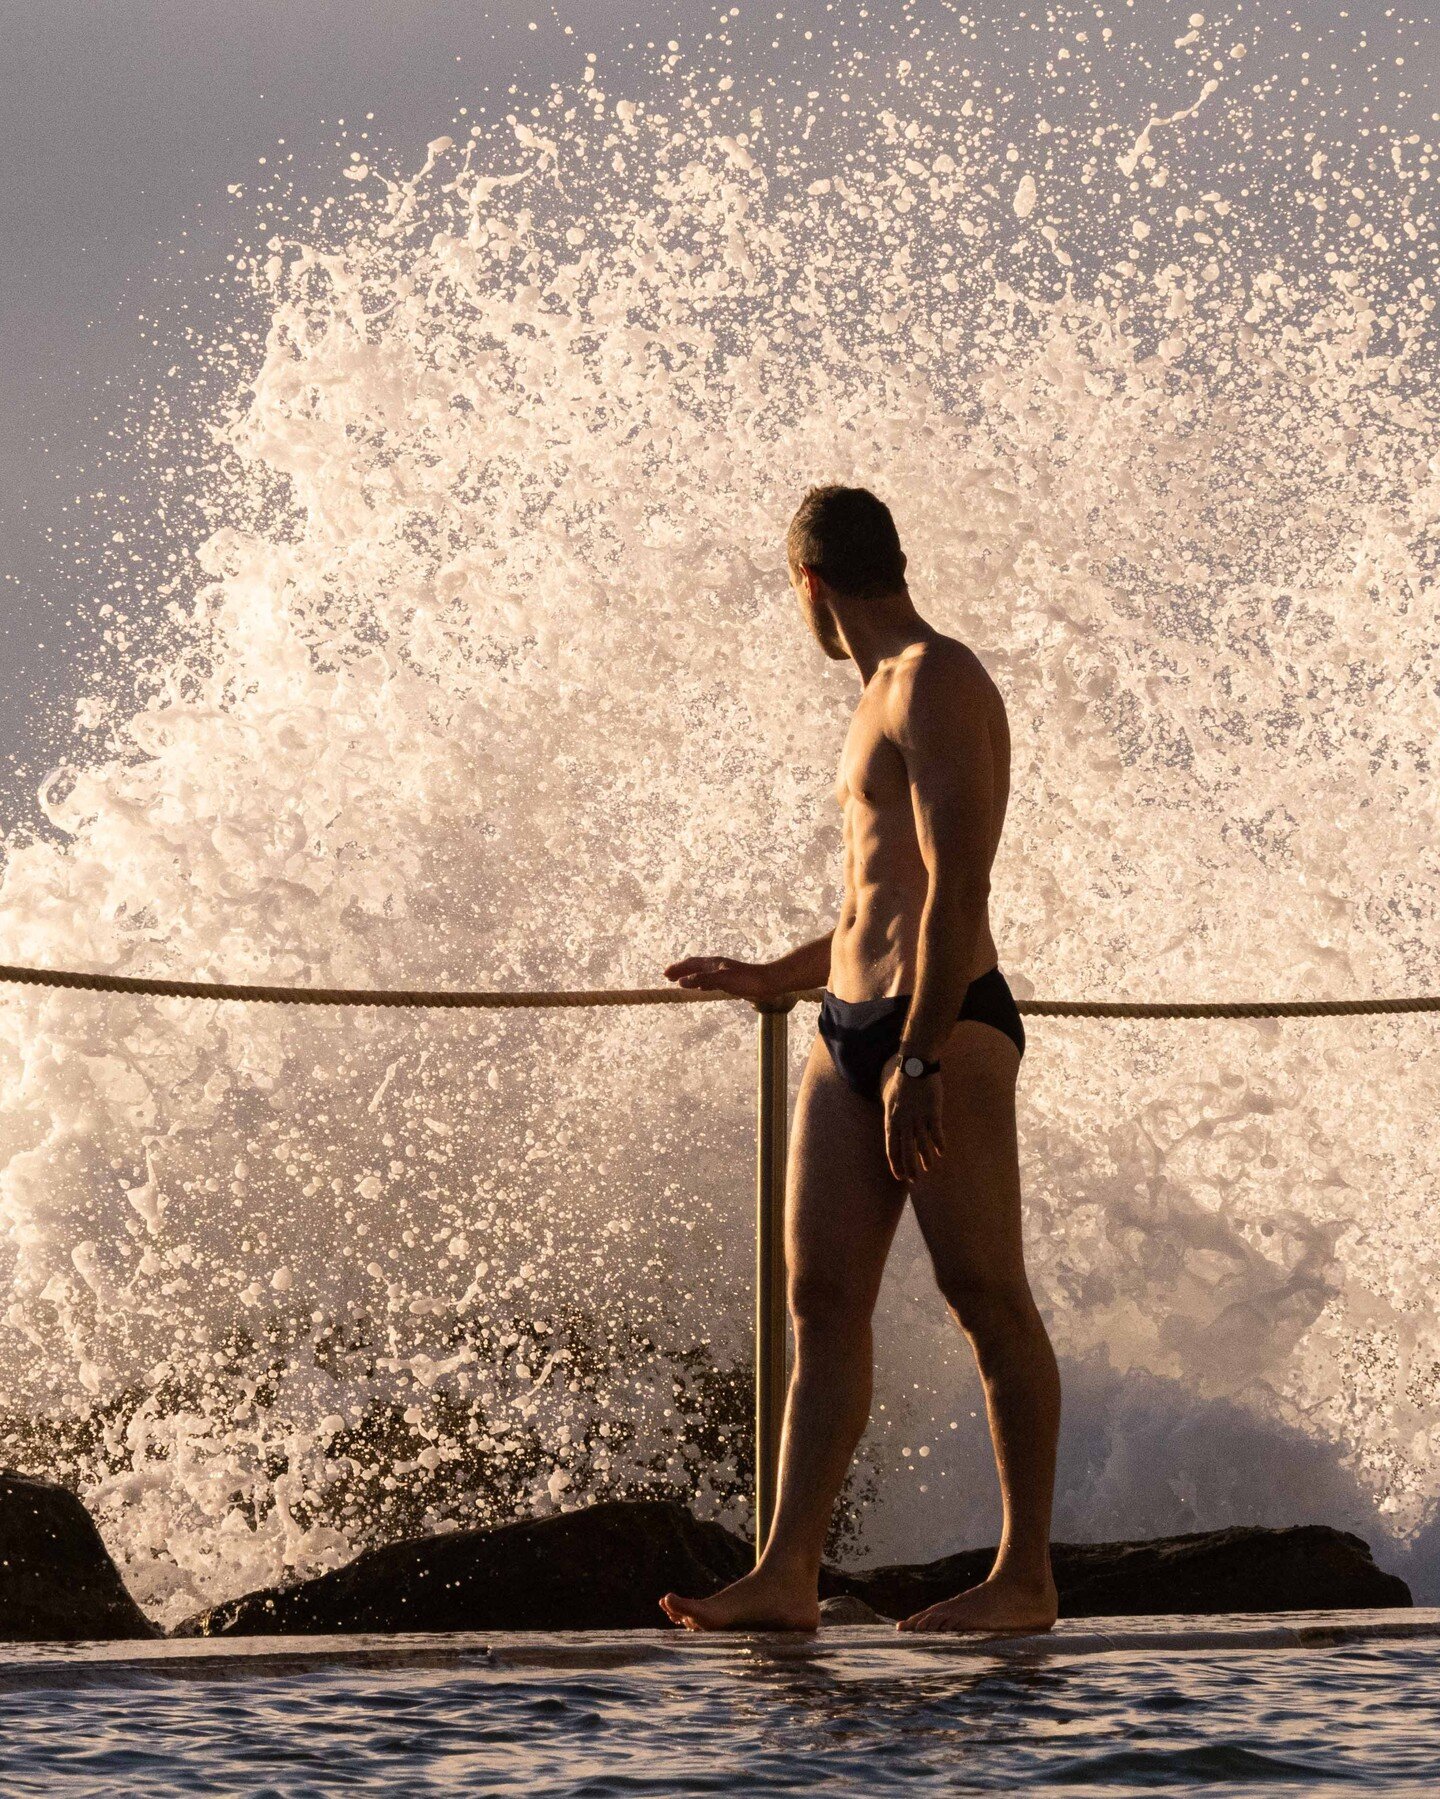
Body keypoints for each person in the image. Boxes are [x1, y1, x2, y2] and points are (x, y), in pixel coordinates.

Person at [660, 485, 1061, 1634]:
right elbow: (876, 897)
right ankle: (787, 1571)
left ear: (812, 587)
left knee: (985, 1293)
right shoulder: (871, 696)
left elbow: (959, 885)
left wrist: (922, 1059)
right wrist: (779, 976)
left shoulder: (938, 678)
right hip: (846, 1026)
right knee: (822, 1299)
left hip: (949, 1028)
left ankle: (1024, 1576)